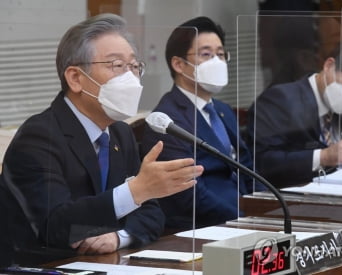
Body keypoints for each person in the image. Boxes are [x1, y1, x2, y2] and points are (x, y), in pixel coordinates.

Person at [0, 13, 203, 257]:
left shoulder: (121, 132)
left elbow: (151, 213)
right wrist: (135, 191)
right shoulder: (39, 137)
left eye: (134, 66)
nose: (130, 77)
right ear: (76, 78)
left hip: (108, 262)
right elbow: (54, 225)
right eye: (117, 66)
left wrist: (119, 237)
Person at [141, 16, 266, 232]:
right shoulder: (167, 120)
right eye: (206, 55)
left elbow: (246, 168)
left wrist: (267, 209)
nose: (216, 62)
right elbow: (190, 196)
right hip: (202, 228)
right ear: (179, 64)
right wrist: (244, 219)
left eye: (220, 54)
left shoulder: (223, 109)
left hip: (243, 219)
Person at [247, 35, 342, 188]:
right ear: (329, 66)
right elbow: (262, 162)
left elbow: (339, 156)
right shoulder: (280, 99)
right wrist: (323, 157)